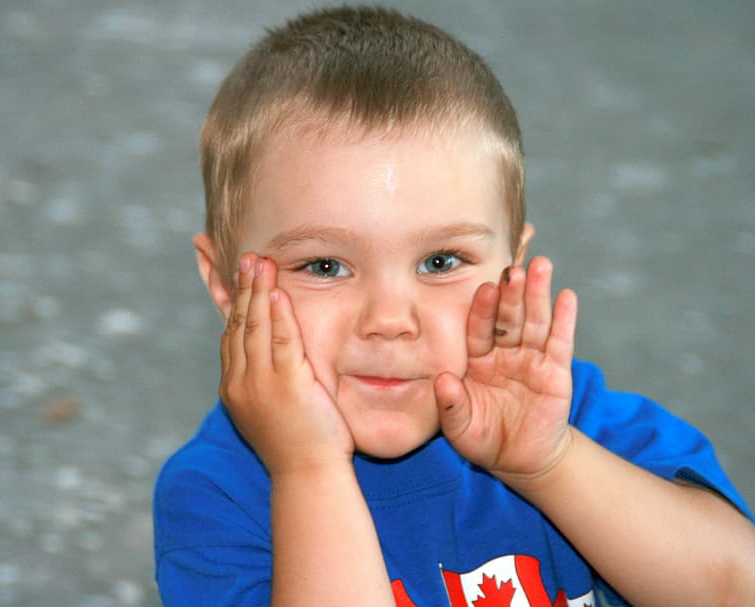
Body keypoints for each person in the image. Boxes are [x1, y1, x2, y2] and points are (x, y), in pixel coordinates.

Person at [153, 6, 755, 606]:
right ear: (227, 285)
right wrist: (308, 470)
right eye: (325, 266)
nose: (390, 320)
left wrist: (548, 463)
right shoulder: (219, 497)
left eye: (440, 262)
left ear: (511, 269)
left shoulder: (576, 421)